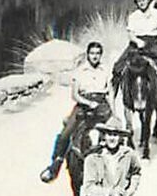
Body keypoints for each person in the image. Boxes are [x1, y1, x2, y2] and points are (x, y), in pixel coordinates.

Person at [40, 40, 111, 184]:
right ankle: (55, 165)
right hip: (84, 103)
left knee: (115, 131)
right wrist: (88, 103)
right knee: (66, 132)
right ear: (87, 54)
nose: (95, 56)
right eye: (92, 53)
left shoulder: (106, 70)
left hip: (102, 103)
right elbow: (75, 95)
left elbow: (110, 92)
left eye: (98, 53)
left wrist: (113, 112)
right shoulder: (80, 71)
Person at [115, 0, 157, 100]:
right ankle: (113, 93)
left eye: (143, 0)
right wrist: (137, 41)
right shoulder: (133, 16)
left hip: (153, 43)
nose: (141, 3)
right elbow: (130, 34)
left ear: (148, 0)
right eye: (139, 1)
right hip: (137, 42)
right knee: (118, 66)